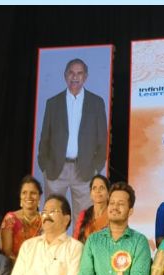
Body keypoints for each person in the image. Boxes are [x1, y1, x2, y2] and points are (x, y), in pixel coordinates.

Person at [37, 58, 109, 225]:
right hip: (55, 169)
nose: (75, 77)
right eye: (71, 73)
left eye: (79, 73)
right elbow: (45, 137)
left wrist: (96, 168)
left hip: (84, 170)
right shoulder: (53, 103)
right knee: (52, 218)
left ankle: (80, 245)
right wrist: (45, 166)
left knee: (83, 221)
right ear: (65, 75)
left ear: (85, 77)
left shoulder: (96, 103)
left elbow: (102, 139)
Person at [0, 175, 43, 263]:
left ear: (39, 197)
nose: (28, 196)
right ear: (20, 196)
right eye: (24, 193)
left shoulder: (44, 220)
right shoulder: (10, 219)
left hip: (40, 267)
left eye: (33, 193)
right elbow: (6, 252)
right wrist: (22, 267)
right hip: (14, 267)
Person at [73, 174, 110, 242]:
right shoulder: (83, 215)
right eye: (94, 188)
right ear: (90, 194)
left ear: (108, 193)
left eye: (101, 188)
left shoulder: (113, 215)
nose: (98, 191)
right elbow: (76, 241)